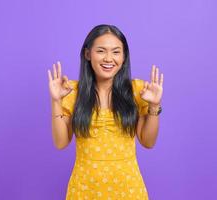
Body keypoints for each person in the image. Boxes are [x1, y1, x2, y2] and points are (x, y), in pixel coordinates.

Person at [47, 24, 164, 200]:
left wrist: (154, 105)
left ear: (124, 57)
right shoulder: (72, 92)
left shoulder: (137, 90)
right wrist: (56, 100)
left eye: (116, 52)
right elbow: (61, 142)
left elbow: (148, 142)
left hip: (128, 190)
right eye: (101, 51)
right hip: (85, 190)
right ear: (88, 54)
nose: (109, 58)